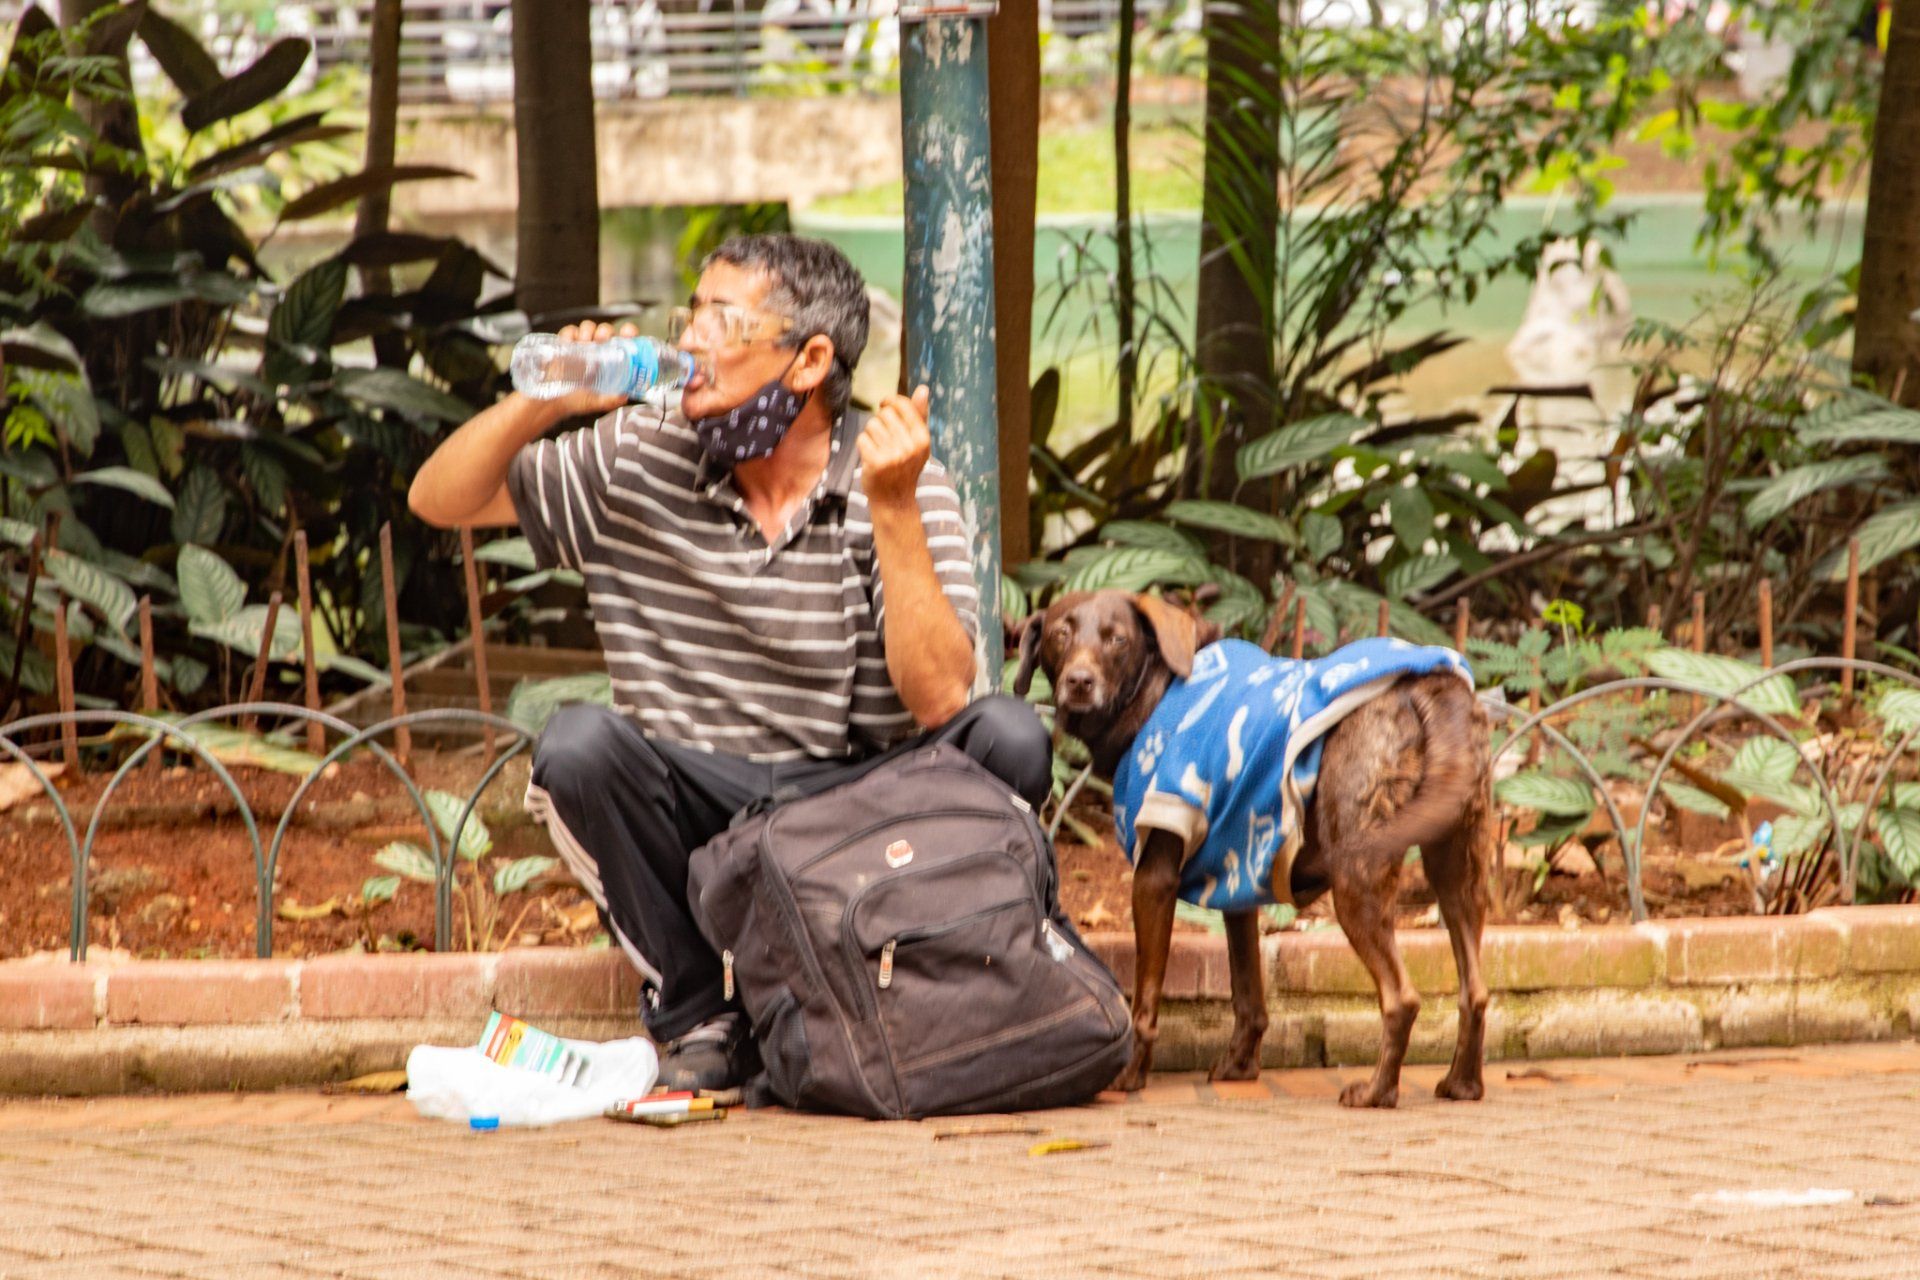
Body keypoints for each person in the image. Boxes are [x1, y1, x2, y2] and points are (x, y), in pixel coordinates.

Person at [409, 235, 1050, 1094]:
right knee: (579, 749)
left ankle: (936, 984)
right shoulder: (640, 451)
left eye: (721, 320)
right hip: (700, 799)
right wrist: (543, 400)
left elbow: (939, 699)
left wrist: (894, 509)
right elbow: (438, 500)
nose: (691, 341)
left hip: (854, 807)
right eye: (691, 316)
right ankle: (697, 1012)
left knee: (1007, 738)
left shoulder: (895, 477)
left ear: (809, 361)